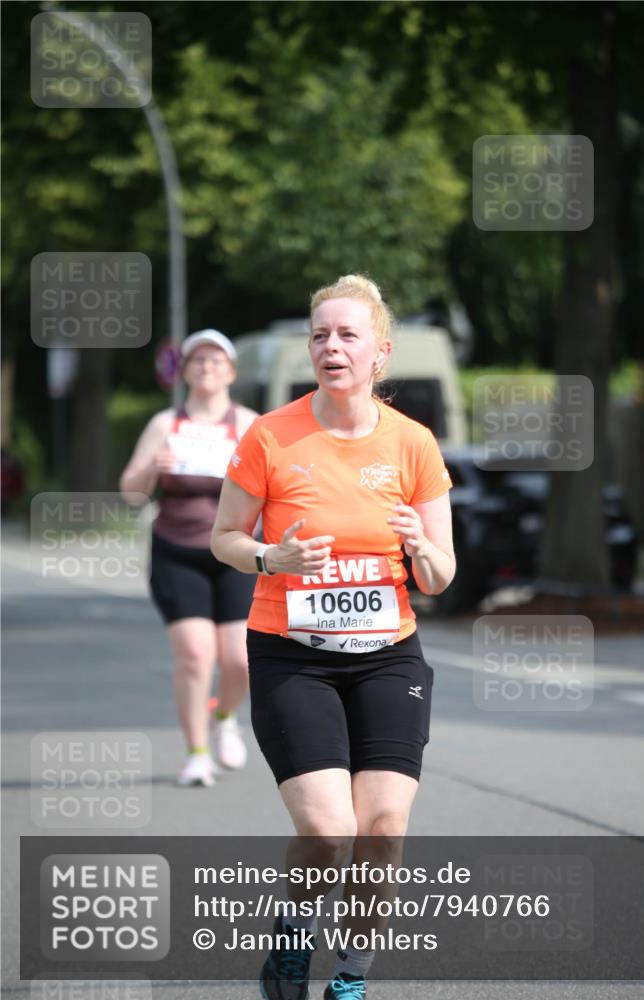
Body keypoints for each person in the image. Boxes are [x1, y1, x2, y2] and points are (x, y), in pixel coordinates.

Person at [211, 276, 456, 999]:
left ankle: (349, 977)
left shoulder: (412, 443)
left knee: (379, 831)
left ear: (379, 353)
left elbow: (440, 576)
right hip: (292, 654)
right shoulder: (270, 435)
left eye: (347, 335)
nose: (331, 347)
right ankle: (290, 938)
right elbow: (224, 535)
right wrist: (269, 557)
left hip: (387, 655)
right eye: (320, 335)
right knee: (326, 833)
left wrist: (419, 546)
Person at [120, 329, 258, 787]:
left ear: (231, 372)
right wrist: (149, 468)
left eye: (216, 361)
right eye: (198, 360)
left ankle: (225, 717)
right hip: (177, 553)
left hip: (235, 553)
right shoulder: (166, 424)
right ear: (185, 370)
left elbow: (277, 488)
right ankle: (197, 753)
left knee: (239, 659)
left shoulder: (249, 425)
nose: (206, 368)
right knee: (196, 657)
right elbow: (131, 491)